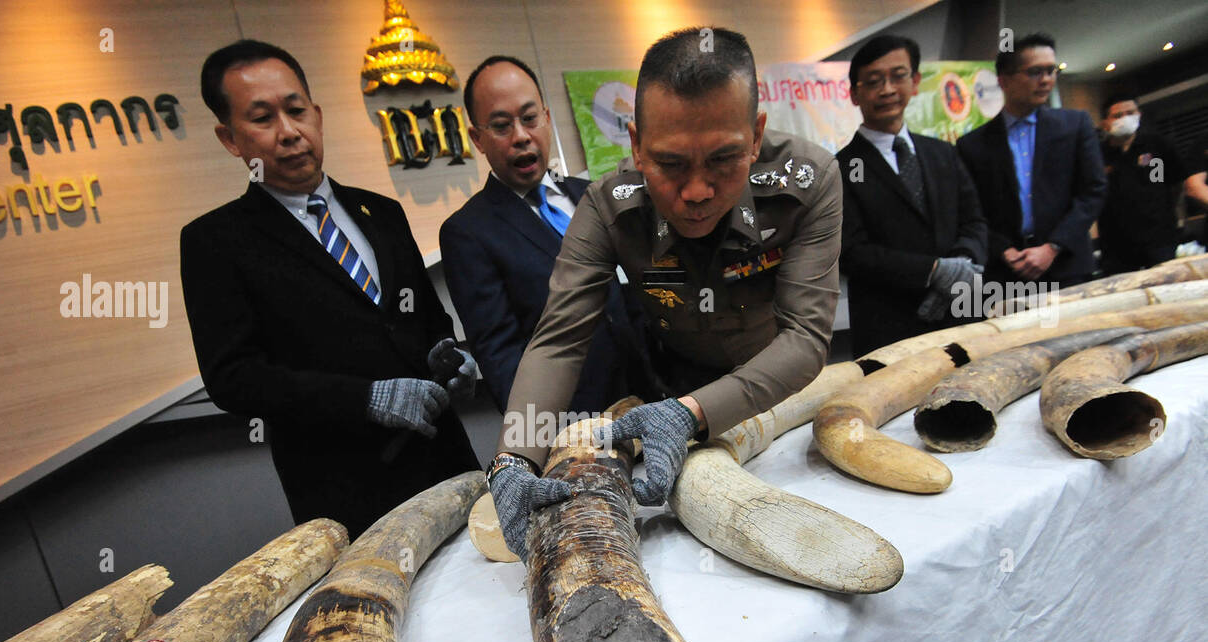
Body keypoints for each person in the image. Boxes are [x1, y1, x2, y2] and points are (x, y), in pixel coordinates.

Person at [488, 26, 842, 559]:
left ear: (755, 135)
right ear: (634, 143)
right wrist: (514, 458)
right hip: (670, 394)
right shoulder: (609, 206)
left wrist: (691, 414)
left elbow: (807, 338)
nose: (696, 192)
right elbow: (558, 341)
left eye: (723, 159)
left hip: (786, 398)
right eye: (670, 164)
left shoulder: (808, 180)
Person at [179, 40, 479, 537]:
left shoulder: (382, 212)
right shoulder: (217, 241)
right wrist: (365, 398)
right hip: (347, 489)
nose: (289, 132)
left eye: (296, 111)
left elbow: (426, 320)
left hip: (445, 457)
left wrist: (450, 359)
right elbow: (233, 377)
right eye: (262, 118)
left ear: (317, 115)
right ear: (229, 138)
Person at [440, 55, 642, 414]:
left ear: (547, 119)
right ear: (477, 138)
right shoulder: (468, 233)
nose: (521, 137)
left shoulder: (591, 195)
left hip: (649, 399)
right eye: (501, 126)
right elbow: (500, 356)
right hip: (577, 427)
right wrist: (544, 444)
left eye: (530, 119)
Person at [836, 34, 988, 357]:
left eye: (898, 76)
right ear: (854, 94)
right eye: (874, 81)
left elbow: (974, 220)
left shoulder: (943, 152)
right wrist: (933, 272)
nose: (888, 89)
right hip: (891, 329)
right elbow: (851, 252)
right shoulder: (841, 167)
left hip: (963, 315)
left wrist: (958, 268)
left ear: (916, 82)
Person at [957, 32, 1106, 288]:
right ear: (1004, 81)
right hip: (1006, 273)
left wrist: (1052, 247)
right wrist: (1003, 250)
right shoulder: (973, 145)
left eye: (1052, 71)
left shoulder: (1075, 125)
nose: (1046, 80)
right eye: (1035, 72)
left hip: (1068, 266)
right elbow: (971, 211)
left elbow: (1093, 191)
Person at [1096, 96, 1190, 274]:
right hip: (1116, 243)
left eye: (1130, 113)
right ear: (1105, 123)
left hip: (1158, 236)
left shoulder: (1157, 145)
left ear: (1139, 114)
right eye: (1118, 115)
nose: (1125, 118)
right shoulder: (1097, 154)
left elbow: (1175, 183)